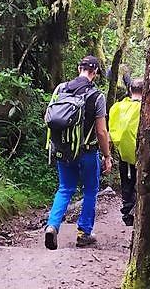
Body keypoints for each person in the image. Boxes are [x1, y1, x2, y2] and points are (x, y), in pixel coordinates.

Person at [44, 56, 112, 249]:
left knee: (65, 188)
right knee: (90, 190)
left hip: (63, 150)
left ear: (78, 68)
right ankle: (84, 233)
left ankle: (52, 226)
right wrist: (107, 156)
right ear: (96, 72)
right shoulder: (97, 96)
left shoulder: (60, 89)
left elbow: (48, 117)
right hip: (88, 153)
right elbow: (101, 131)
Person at [109, 78, 143, 226]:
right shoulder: (146, 108)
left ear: (130, 90)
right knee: (141, 183)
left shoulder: (118, 107)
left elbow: (111, 129)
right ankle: (138, 212)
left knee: (127, 183)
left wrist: (108, 153)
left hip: (123, 153)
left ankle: (127, 212)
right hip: (141, 154)